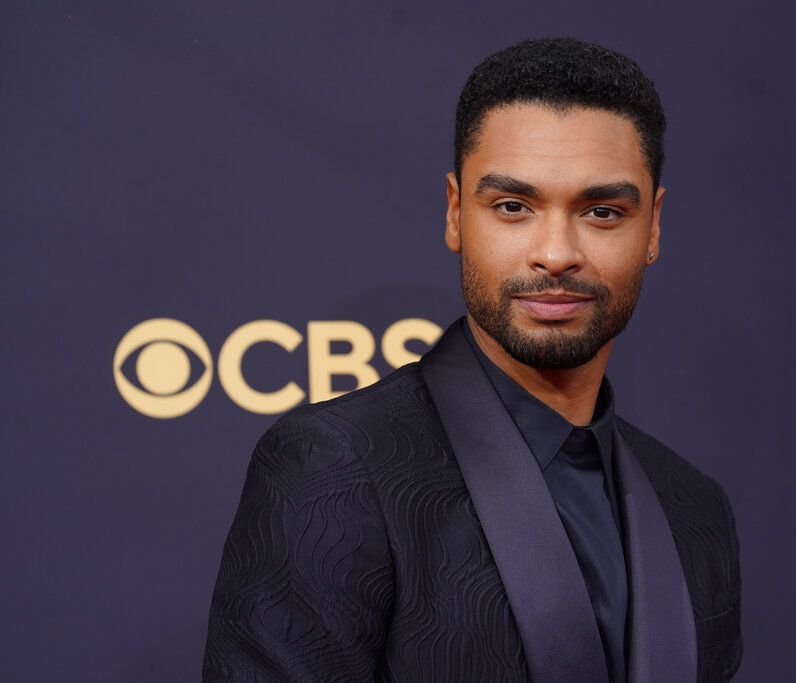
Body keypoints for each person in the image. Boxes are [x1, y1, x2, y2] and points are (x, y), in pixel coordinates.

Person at [203, 37, 742, 683]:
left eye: (602, 211)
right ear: (457, 211)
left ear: (651, 226)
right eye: (514, 206)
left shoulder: (693, 506)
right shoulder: (334, 468)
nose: (555, 252)